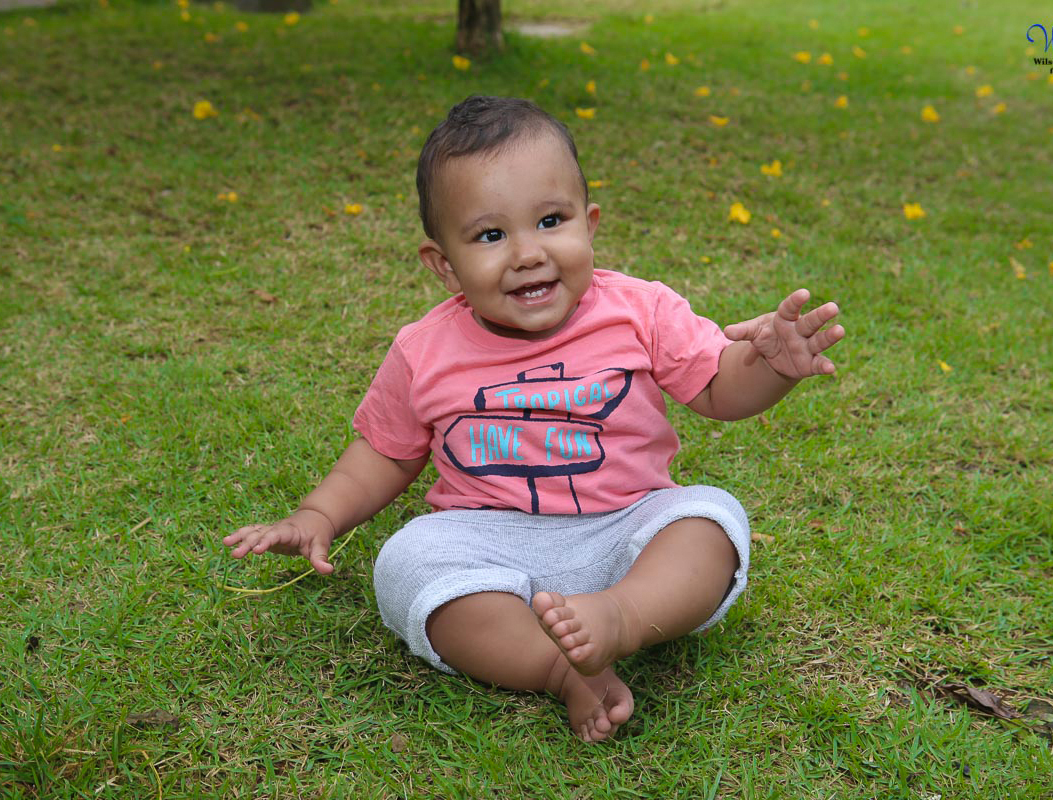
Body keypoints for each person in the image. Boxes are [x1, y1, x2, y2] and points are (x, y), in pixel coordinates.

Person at [223, 96, 844, 742]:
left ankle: (620, 619)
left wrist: (770, 366)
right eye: (491, 235)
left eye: (551, 220)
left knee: (713, 519)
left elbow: (718, 386)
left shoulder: (640, 310)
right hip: (487, 543)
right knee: (404, 562)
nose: (527, 253)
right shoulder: (423, 350)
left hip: (624, 532)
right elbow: (384, 453)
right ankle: (560, 667)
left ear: (590, 223)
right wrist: (319, 514)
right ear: (442, 264)